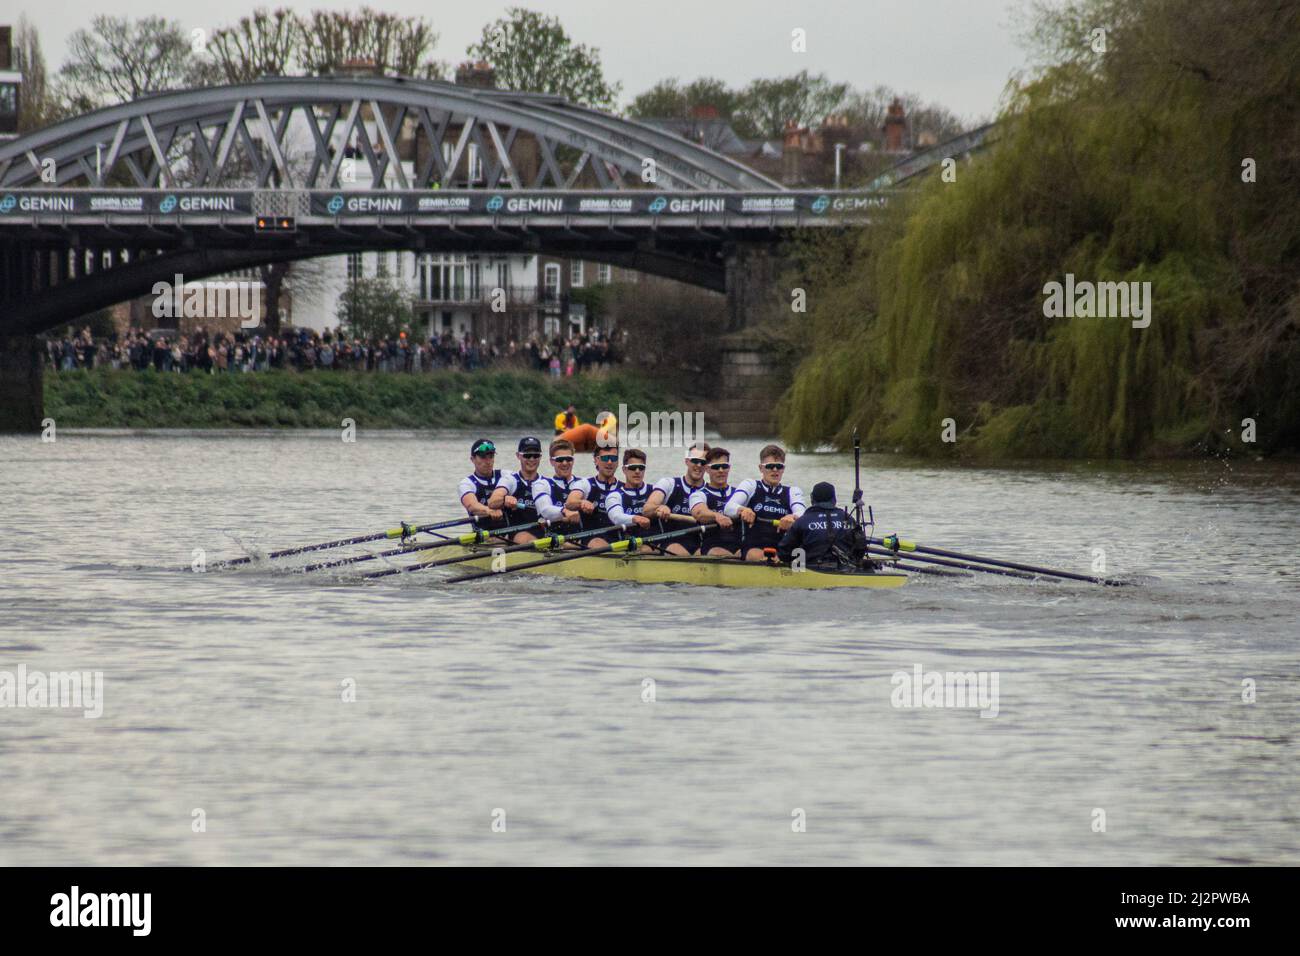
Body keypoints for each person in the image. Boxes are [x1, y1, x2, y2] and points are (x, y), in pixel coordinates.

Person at [725, 444, 806, 562]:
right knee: (758, 555)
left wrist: (793, 516)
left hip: (781, 547)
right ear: (761, 468)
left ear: (783, 469)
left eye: (779, 466)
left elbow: (803, 514)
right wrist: (742, 510)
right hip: (754, 547)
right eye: (770, 466)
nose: (775, 470)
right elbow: (728, 508)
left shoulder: (793, 491)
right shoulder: (750, 485)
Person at [776, 482, 869, 570]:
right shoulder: (848, 518)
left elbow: (784, 553)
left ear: (812, 499)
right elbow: (861, 547)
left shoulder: (802, 521)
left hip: (812, 571)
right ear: (834, 500)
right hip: (846, 569)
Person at [643, 442, 709, 556]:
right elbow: (647, 509)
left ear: (707, 466)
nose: (698, 465)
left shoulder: (709, 491)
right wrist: (659, 507)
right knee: (678, 550)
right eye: (694, 460)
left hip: (699, 544)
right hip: (670, 543)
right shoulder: (668, 484)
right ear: (686, 461)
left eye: (703, 462)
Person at [564, 445, 622, 548]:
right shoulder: (585, 484)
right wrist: (582, 502)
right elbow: (570, 502)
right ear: (596, 460)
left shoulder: (624, 488)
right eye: (605, 458)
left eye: (613, 458)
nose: (609, 462)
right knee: (597, 543)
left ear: (617, 462)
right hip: (592, 541)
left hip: (619, 541)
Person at [488, 437, 544, 543]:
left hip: (543, 531)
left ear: (540, 457)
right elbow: (492, 502)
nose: (532, 459)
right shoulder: (510, 480)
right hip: (517, 534)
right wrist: (504, 499)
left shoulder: (546, 483)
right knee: (524, 538)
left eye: (535, 455)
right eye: (527, 455)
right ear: (518, 456)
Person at [689, 447, 741, 557]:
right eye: (716, 467)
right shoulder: (699, 494)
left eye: (724, 466)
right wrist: (716, 516)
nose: (721, 470)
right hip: (712, 548)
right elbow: (699, 513)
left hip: (738, 547)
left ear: (729, 468)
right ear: (707, 469)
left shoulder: (738, 493)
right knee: (718, 552)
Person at [605, 448, 654, 547]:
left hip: (652, 542)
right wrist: (635, 518)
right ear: (624, 470)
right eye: (632, 467)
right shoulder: (615, 496)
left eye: (641, 467)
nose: (637, 471)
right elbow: (616, 517)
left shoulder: (654, 491)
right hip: (626, 543)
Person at [533, 439, 581, 530]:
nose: (565, 463)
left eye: (568, 459)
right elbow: (545, 510)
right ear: (552, 462)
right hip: (554, 536)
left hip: (581, 537)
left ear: (573, 460)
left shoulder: (583, 484)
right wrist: (564, 511)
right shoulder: (542, 484)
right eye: (560, 460)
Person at [458, 438, 504, 531]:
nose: (488, 461)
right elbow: (472, 506)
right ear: (472, 459)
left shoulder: (506, 476)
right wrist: (489, 511)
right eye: (483, 457)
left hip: (509, 533)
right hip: (483, 536)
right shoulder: (467, 483)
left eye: (491, 456)